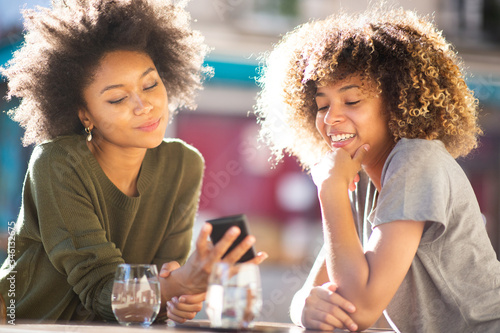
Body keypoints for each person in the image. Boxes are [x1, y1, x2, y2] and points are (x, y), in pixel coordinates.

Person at [0, 0, 267, 323]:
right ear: (85, 114)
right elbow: (100, 290)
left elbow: (152, 293)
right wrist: (174, 285)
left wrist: (179, 295)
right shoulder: (57, 163)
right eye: (117, 98)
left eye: (151, 84)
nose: (144, 105)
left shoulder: (184, 165)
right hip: (25, 324)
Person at [254, 7, 500, 333]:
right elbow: (319, 289)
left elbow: (358, 309)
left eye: (352, 101)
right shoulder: (365, 176)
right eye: (322, 105)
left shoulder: (416, 161)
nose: (330, 119)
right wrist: (303, 307)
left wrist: (330, 189)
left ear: (398, 101)